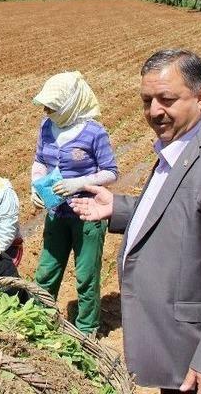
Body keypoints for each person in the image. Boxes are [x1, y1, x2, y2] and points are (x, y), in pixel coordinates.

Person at [71, 49, 201, 394]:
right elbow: (180, 211)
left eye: (166, 99)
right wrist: (119, 208)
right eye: (147, 100)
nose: (154, 111)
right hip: (176, 347)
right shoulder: (180, 144)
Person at [30, 70, 118, 335]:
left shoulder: (94, 133)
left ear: (70, 105)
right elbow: (40, 161)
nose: (47, 110)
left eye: (53, 106)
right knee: (46, 270)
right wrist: (35, 184)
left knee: (86, 275)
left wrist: (79, 184)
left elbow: (111, 172)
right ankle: (38, 320)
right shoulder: (47, 127)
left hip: (87, 214)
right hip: (56, 211)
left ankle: (87, 328)